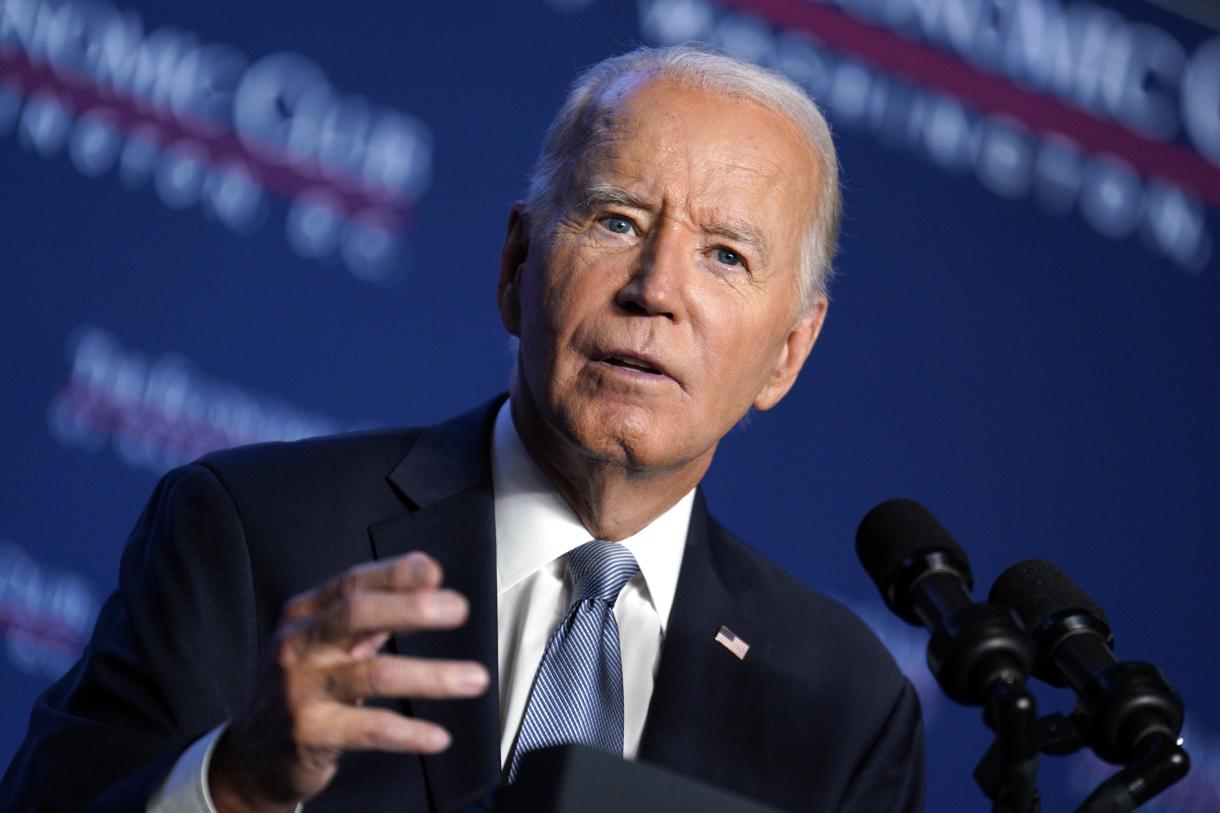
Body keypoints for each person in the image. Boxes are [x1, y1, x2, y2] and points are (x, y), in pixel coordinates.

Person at [0, 45, 924, 812]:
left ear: (789, 353)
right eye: (615, 220)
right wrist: (234, 784)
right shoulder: (248, 531)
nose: (656, 290)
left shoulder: (842, 706)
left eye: (726, 256)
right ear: (516, 262)